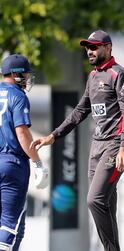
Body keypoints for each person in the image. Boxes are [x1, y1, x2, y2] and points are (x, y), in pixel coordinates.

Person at [31, 30, 124, 251]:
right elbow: (80, 111)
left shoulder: (120, 75)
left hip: (115, 145)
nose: (90, 51)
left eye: (94, 46)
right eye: (87, 47)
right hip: (96, 146)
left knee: (94, 200)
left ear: (108, 48)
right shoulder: (92, 76)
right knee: (106, 204)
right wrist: (53, 136)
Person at [0, 54, 48, 250]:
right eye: (25, 74)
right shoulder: (17, 96)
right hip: (12, 163)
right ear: (15, 73)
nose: (27, 79)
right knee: (12, 223)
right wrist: (37, 162)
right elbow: (22, 133)